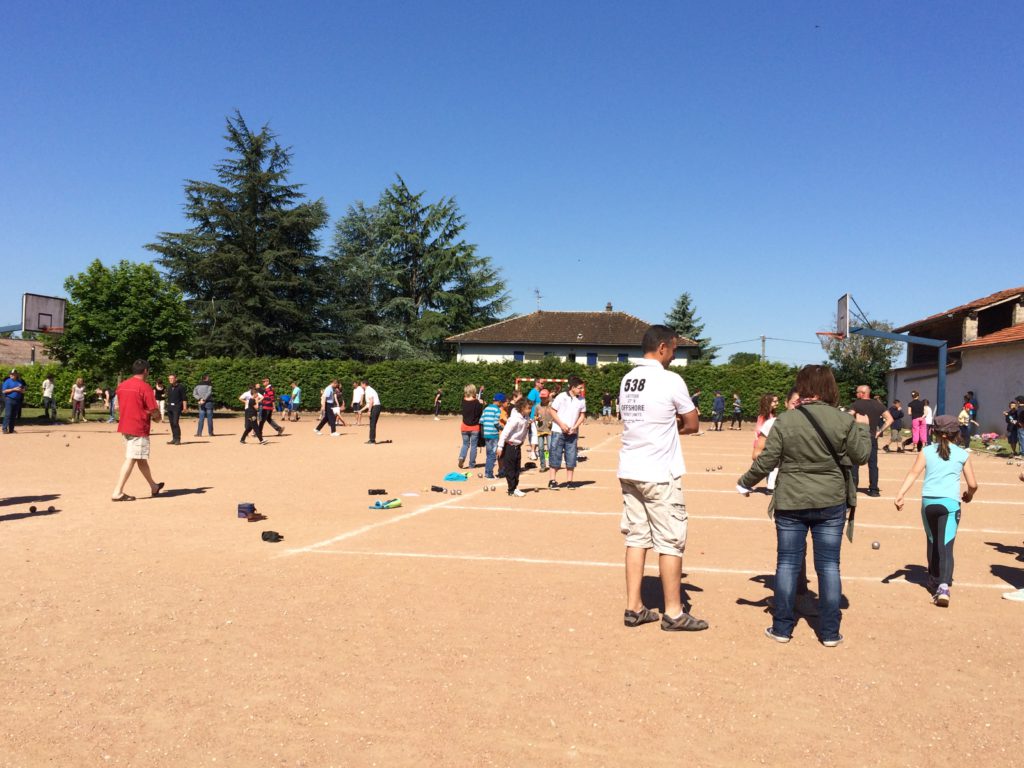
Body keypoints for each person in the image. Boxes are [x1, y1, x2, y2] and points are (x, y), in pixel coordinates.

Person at [738, 364, 871, 647]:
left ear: (802, 387)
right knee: (829, 566)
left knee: (786, 563)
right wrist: (862, 428)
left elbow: (767, 460)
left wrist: (746, 482)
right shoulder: (843, 420)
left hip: (791, 499)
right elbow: (861, 456)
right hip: (831, 499)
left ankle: (782, 627)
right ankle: (830, 631)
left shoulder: (786, 420)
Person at [618, 325, 706, 632]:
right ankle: (673, 612)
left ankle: (634, 607)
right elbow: (693, 423)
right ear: (662, 349)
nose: (674, 355)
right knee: (670, 541)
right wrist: (674, 428)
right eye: (674, 349)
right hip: (659, 471)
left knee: (636, 537)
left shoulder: (628, 379)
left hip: (629, 468)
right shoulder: (670, 379)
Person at [894, 414, 978, 607]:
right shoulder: (963, 454)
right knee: (946, 545)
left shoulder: (927, 451)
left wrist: (901, 493)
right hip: (950, 504)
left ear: (934, 432)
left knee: (932, 541)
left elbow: (913, 473)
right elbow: (972, 484)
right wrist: (969, 495)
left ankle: (932, 578)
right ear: (957, 433)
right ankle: (943, 587)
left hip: (928, 503)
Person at [111, 359, 165, 502]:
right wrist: (158, 418)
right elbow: (153, 409)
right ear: (145, 371)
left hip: (125, 426)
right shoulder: (145, 387)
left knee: (140, 458)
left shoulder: (122, 385)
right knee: (132, 458)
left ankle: (153, 486)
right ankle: (117, 492)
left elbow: (117, 406)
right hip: (138, 427)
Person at [847, 384, 892, 498]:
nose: (856, 394)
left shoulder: (856, 404)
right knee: (873, 464)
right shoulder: (878, 405)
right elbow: (890, 419)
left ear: (863, 393)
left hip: (859, 436)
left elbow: (848, 417)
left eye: (857, 392)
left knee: (855, 463)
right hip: (872, 437)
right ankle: (873, 490)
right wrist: (879, 431)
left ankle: (853, 487)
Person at [547, 376, 587, 489]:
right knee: (555, 454)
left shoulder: (582, 400)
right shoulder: (561, 397)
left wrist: (575, 427)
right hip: (558, 431)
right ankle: (552, 480)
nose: (581, 390)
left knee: (571, 456)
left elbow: (582, 415)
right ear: (573, 387)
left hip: (572, 433)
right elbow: (552, 411)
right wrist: (561, 424)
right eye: (579, 388)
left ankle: (570, 481)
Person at [497, 397, 533, 497]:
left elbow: (525, 426)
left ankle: (515, 488)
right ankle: (511, 489)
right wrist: (500, 446)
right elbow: (505, 433)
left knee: (517, 468)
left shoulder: (525, 417)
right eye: (528, 408)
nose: (530, 410)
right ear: (522, 408)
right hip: (509, 445)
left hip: (517, 446)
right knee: (510, 468)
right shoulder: (514, 419)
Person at [458, 384, 483, 468]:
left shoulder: (463, 401)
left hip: (464, 427)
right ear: (473, 391)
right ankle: (472, 464)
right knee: (473, 446)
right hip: (474, 427)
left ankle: (461, 457)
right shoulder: (476, 402)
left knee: (465, 444)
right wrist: (481, 404)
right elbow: (480, 413)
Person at [480, 392, 505, 479]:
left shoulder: (486, 408)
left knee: (488, 454)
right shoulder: (497, 410)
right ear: (499, 402)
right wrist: (502, 428)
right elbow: (495, 422)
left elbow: (481, 421)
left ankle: (487, 472)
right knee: (492, 455)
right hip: (493, 435)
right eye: (502, 402)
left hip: (486, 434)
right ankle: (489, 474)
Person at [165, 373, 187, 445]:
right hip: (170, 407)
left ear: (175, 379)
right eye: (169, 379)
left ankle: (178, 439)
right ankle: (174, 438)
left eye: (172, 378)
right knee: (171, 423)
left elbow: (184, 398)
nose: (170, 380)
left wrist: (184, 407)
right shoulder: (169, 387)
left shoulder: (181, 387)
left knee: (175, 422)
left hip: (177, 407)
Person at [2, 369, 25, 434]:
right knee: (8, 415)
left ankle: (11, 430)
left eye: (13, 374)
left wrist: (21, 390)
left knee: (14, 415)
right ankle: (4, 429)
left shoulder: (19, 382)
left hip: (17, 400)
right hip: (9, 399)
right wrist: (13, 389)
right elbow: (4, 391)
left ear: (16, 374)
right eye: (11, 374)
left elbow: (23, 391)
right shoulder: (7, 381)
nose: (11, 375)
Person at [362, 379, 382, 444]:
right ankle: (371, 439)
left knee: (372, 424)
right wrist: (361, 410)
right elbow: (368, 403)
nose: (361, 386)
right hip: (376, 407)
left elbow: (371, 401)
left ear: (364, 384)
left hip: (375, 407)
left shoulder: (368, 390)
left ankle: (372, 440)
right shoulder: (370, 390)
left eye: (361, 384)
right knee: (372, 424)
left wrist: (369, 411)